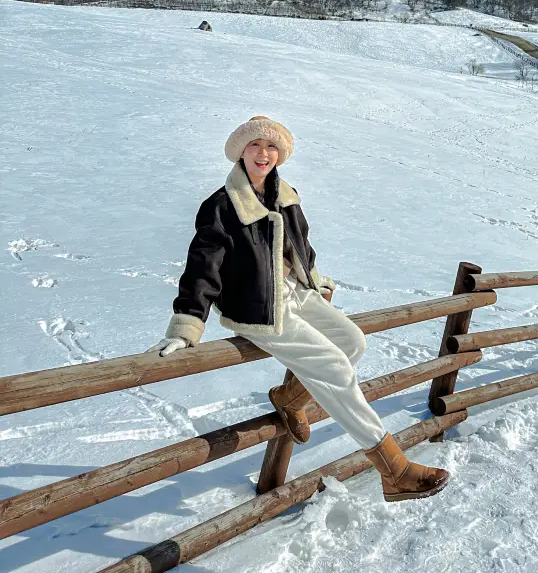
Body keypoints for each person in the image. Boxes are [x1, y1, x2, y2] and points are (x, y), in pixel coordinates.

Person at [148, 114, 449, 502]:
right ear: (240, 151)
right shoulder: (221, 206)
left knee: (353, 343)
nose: (263, 153)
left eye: (271, 147)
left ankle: (290, 399)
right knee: (335, 366)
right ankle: (394, 469)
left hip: (295, 293)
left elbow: (300, 245)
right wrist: (186, 325)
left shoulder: (285, 195)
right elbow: (202, 265)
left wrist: (313, 279)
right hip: (257, 308)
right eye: (255, 145)